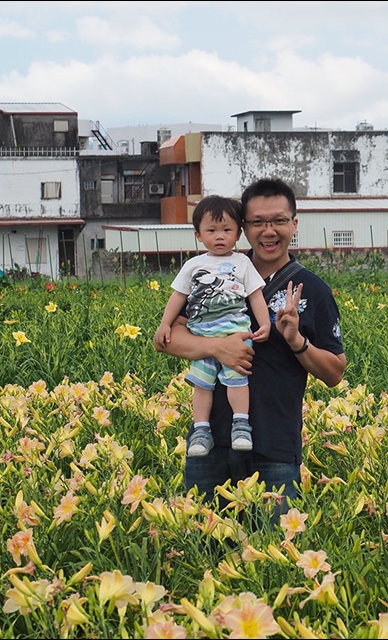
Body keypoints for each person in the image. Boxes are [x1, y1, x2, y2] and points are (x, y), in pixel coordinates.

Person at [155, 177, 346, 518]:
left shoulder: (313, 290)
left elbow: (334, 372)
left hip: (275, 447)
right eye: (257, 222)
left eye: (278, 221)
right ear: (243, 228)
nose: (268, 231)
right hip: (210, 441)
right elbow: (169, 339)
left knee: (273, 559)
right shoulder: (216, 273)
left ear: (294, 224)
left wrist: (296, 340)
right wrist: (218, 348)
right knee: (205, 550)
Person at [154, 196, 271, 457]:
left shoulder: (243, 263)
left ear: (238, 234)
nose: (220, 237)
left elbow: (255, 296)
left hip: (235, 333)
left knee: (237, 380)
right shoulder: (193, 265)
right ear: (198, 235)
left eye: (227, 230)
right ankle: (201, 430)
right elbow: (177, 297)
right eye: (211, 230)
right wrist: (164, 324)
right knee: (202, 385)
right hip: (203, 336)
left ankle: (241, 425)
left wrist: (265, 324)